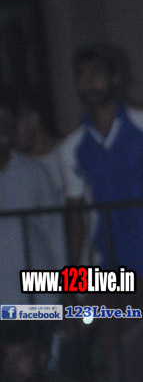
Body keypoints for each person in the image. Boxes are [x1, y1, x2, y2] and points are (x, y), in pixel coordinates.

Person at [59, 44, 143, 277]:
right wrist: (72, 274)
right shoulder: (71, 147)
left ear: (115, 78)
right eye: (81, 75)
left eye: (96, 73)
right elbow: (75, 214)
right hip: (104, 266)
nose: (89, 82)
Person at [0, 92, 64, 305]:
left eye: (6, 121)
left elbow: (55, 234)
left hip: (38, 298)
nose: (2, 128)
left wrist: (65, 290)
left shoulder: (34, 173)